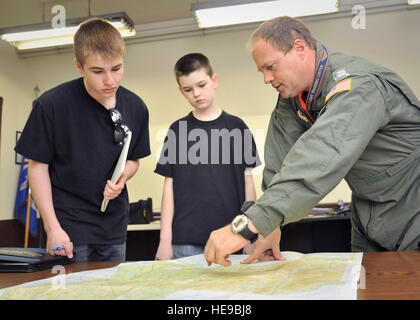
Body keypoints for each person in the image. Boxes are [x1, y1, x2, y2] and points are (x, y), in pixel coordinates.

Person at [204, 16, 420, 266]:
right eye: (261, 70)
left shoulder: (359, 87)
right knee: (363, 289)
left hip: (412, 210)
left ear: (299, 49)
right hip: (369, 215)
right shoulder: (293, 98)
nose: (266, 78)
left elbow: (321, 156)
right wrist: (269, 226)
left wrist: (244, 227)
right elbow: (280, 165)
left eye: (271, 66)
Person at [15, 18, 151, 262]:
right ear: (79, 65)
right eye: (98, 71)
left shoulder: (136, 107)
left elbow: (133, 160)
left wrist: (124, 177)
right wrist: (52, 227)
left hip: (113, 229)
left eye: (117, 68)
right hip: (65, 228)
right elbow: (37, 168)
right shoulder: (52, 105)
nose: (110, 81)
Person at [154, 53, 261, 260]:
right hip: (184, 242)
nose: (196, 93)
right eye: (188, 89)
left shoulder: (237, 128)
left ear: (214, 81)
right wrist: (164, 241)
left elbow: (249, 186)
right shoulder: (177, 130)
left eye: (202, 85)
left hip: (232, 238)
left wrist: (250, 236)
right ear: (181, 91)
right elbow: (169, 188)